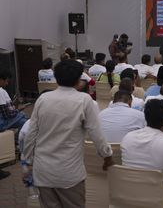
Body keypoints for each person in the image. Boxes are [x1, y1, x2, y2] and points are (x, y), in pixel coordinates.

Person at [22, 60, 113, 207]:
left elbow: (31, 133)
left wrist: (27, 160)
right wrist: (107, 157)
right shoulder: (84, 100)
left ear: (56, 78)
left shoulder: (43, 99)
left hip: (43, 172)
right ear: (79, 80)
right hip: (69, 174)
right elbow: (97, 134)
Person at [0, 70, 28, 134]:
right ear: (1, 80)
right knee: (25, 120)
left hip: (3, 119)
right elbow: (7, 115)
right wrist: (18, 110)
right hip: (2, 123)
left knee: (23, 117)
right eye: (6, 81)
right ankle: (18, 138)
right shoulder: (1, 91)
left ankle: (17, 138)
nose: (7, 84)